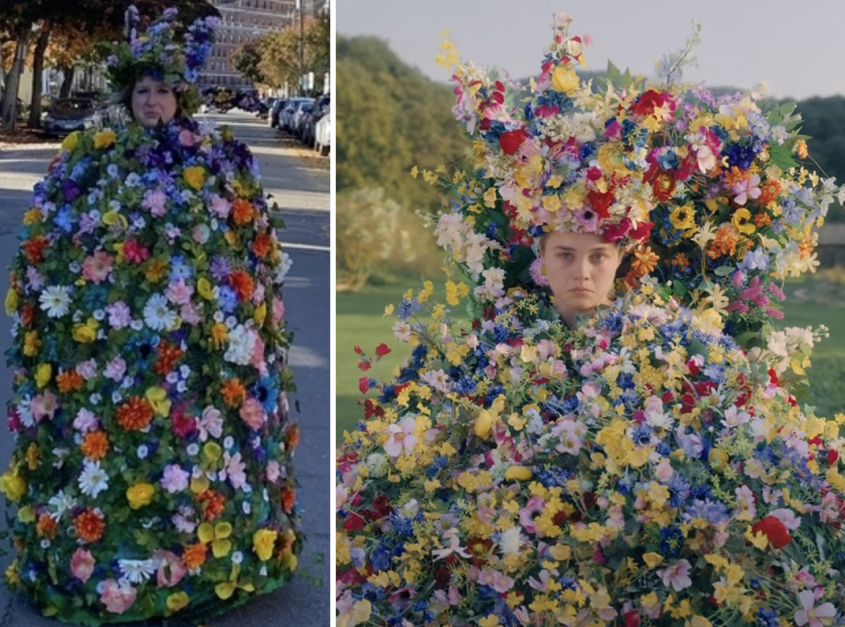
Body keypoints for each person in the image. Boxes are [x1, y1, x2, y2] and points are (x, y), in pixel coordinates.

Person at [336, 13, 845, 627]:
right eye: (566, 255)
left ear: (620, 262)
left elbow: (750, 422)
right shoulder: (495, 349)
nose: (582, 271)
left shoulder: (672, 340)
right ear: (541, 262)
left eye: (598, 256)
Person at [0, 8, 302, 623]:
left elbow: (243, 241)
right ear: (128, 95)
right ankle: (106, 547)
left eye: (164, 90)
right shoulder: (93, 155)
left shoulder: (215, 160)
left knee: (187, 434)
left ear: (180, 97)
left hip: (190, 342)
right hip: (112, 340)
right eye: (144, 90)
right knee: (116, 436)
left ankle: (200, 547)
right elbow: (58, 238)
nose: (154, 101)